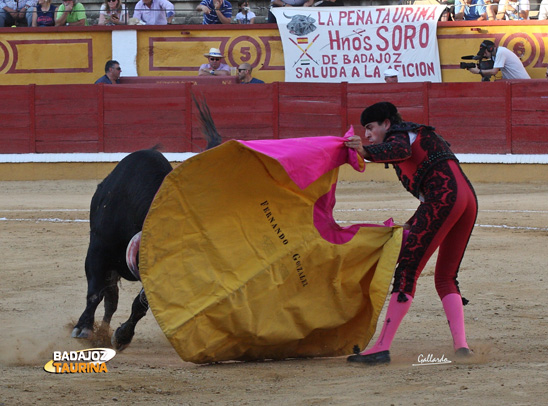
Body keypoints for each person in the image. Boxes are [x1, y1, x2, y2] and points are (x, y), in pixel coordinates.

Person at [344, 102, 478, 365]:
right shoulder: (413, 134)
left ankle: (382, 347)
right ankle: (462, 347)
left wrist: (365, 150)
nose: (368, 134)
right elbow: (434, 186)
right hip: (465, 200)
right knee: (446, 277)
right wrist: (413, 222)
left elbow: (400, 150)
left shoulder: (400, 135)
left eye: (371, 128)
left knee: (407, 270)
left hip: (445, 198)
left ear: (386, 123)